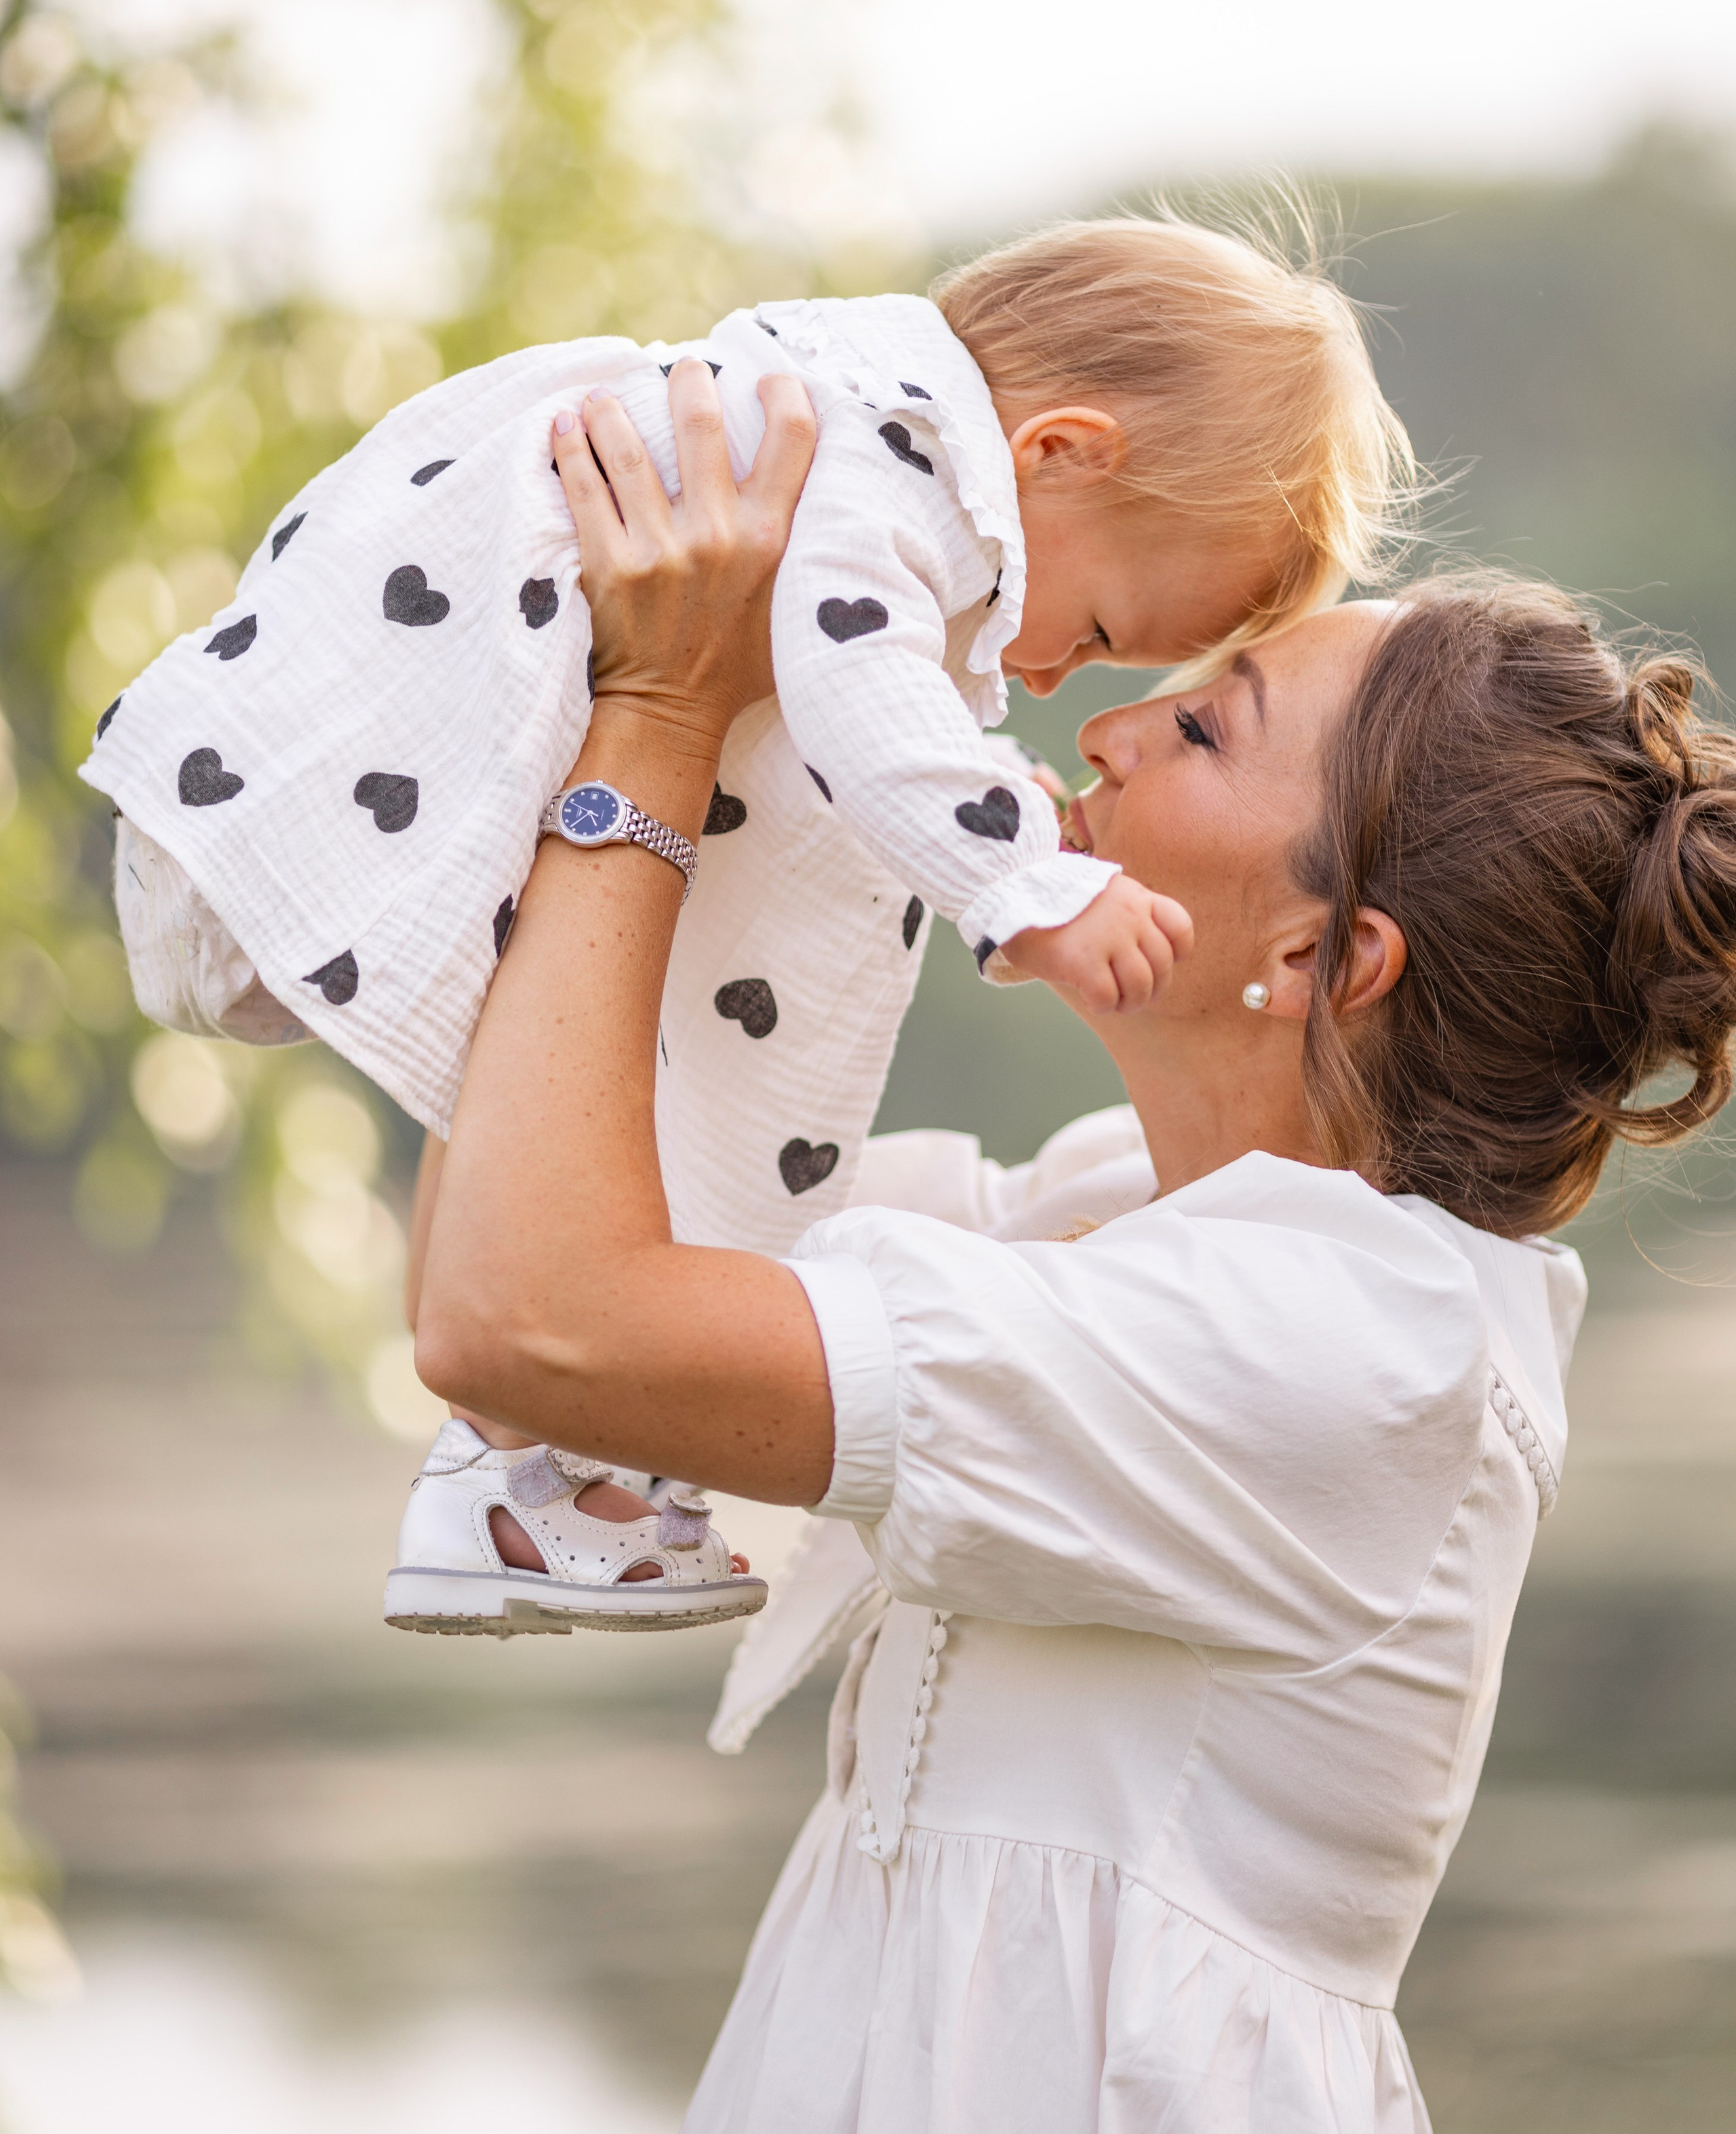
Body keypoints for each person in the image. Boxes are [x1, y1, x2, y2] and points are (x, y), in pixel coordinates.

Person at [407, 368, 1736, 2130]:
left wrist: (657, 722)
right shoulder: (1107, 1211)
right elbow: (507, 1274)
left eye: (1205, 731)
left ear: (1328, 959)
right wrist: (694, 713)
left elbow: (527, 1320)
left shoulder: (1353, 1346)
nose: (1110, 726)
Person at [88, 212, 1412, 1633]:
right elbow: (854, 691)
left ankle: (526, 1481)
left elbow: (858, 721)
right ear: (1059, 452)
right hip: (348, 804)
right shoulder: (870, 469)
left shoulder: (852, 432)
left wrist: (965, 795)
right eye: (1093, 633)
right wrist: (1021, 883)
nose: (1055, 685)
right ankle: (526, 1480)